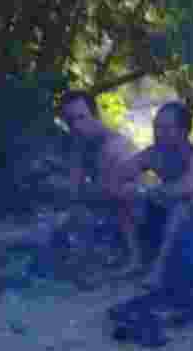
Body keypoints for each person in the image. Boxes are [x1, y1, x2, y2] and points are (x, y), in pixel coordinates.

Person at [114, 101, 193, 288]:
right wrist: (129, 188)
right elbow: (119, 174)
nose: (158, 132)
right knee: (126, 194)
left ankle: (159, 270)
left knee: (186, 203)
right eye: (156, 126)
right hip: (169, 215)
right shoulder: (153, 153)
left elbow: (187, 186)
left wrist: (147, 192)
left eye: (166, 128)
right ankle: (135, 259)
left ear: (183, 131)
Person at [56, 90, 141, 268]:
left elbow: (119, 193)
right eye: (70, 121)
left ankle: (133, 259)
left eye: (81, 117)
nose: (77, 125)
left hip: (133, 216)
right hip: (102, 210)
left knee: (122, 198)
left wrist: (83, 193)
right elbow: (74, 189)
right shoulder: (80, 143)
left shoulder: (116, 146)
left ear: (95, 115)